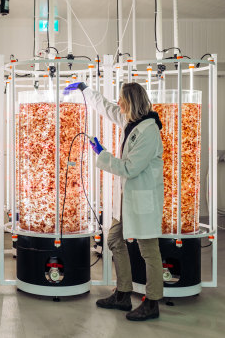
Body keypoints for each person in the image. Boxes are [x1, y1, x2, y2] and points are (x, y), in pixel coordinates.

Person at [65, 81, 164, 321]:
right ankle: (122, 293)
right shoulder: (131, 123)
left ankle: (152, 302)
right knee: (113, 239)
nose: (118, 102)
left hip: (142, 199)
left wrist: (102, 153)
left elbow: (130, 169)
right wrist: (85, 89)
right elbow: (108, 108)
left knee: (148, 250)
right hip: (128, 198)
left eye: (122, 99)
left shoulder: (148, 131)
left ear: (132, 101)